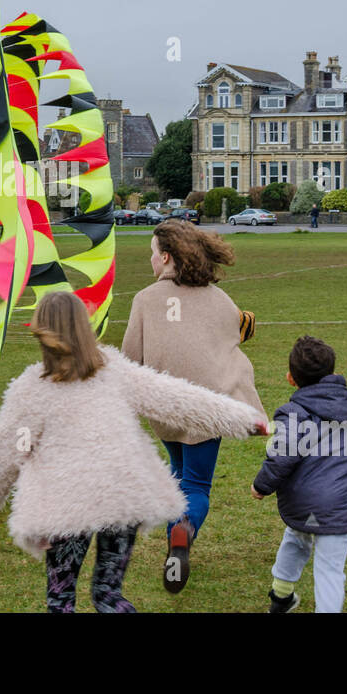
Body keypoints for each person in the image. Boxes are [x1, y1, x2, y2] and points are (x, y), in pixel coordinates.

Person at [0, 291, 267, 613]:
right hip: (121, 493)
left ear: (41, 332)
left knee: (61, 599)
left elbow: (4, 450)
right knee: (108, 595)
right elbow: (176, 398)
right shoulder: (113, 371)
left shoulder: (32, 388)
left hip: (67, 502)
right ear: (84, 326)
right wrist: (241, 418)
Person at [121, 218, 266, 593]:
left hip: (165, 408)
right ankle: (182, 532)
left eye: (151, 254)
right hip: (205, 408)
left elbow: (129, 358)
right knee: (197, 484)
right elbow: (238, 330)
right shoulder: (218, 298)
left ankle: (177, 532)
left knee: (178, 472)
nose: (150, 262)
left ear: (166, 257)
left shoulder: (144, 299)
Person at [251, 335, 347, 613]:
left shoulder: (291, 414)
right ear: (334, 374)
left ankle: (281, 597)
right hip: (339, 504)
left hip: (302, 499)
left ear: (290, 378)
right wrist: (343, 477)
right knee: (329, 569)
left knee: (295, 537)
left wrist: (261, 485)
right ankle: (285, 598)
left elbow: (282, 456)